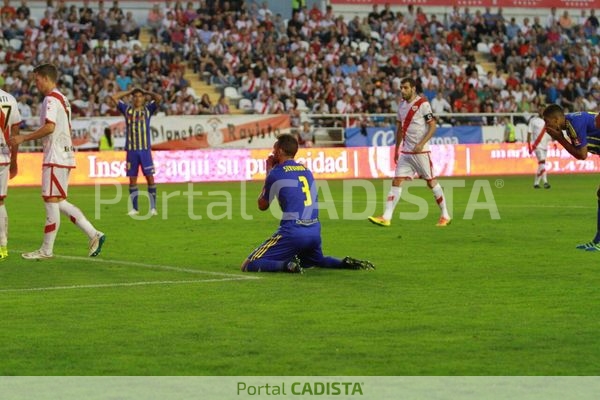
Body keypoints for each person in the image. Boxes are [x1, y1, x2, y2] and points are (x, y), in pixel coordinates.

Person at [9, 63, 105, 260]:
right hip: (64, 155)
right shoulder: (63, 98)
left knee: (51, 201)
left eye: (36, 80)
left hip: (56, 156)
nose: (35, 84)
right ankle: (94, 234)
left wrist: (23, 137)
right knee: (59, 201)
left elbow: (49, 127)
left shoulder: (51, 99)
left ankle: (46, 250)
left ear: (45, 78)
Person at [241, 134, 375, 273]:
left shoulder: (276, 173)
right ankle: (343, 262)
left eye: (274, 149)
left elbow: (262, 205)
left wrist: (268, 171)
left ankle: (287, 266)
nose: (272, 153)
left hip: (293, 232)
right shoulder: (306, 171)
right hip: (314, 232)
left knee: (249, 264)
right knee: (315, 261)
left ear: (280, 151)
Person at [368, 77, 451, 227]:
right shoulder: (401, 105)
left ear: (413, 88)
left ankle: (445, 215)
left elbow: (433, 126)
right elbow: (399, 129)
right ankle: (386, 217)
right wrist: (396, 148)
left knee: (431, 182)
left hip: (420, 152)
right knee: (396, 181)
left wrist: (421, 144)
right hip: (406, 152)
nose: (402, 90)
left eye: (405, 88)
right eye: (401, 88)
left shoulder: (423, 104)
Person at [543, 103, 600, 251]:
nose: (546, 126)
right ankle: (597, 241)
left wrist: (560, 139)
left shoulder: (573, 124)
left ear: (556, 120)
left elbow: (582, 155)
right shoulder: (570, 124)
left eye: (547, 122)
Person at [111, 87, 162, 216]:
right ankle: (135, 208)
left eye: (140, 96)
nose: (138, 98)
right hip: (131, 151)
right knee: (132, 179)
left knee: (150, 178)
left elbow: (159, 98)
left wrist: (147, 92)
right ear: (132, 98)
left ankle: (153, 207)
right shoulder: (127, 110)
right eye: (135, 96)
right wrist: (130, 91)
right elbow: (114, 98)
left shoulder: (148, 110)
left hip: (145, 150)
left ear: (144, 98)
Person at [0, 87, 21, 260]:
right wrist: (14, 160)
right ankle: (3, 247)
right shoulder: (10, 99)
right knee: (0, 202)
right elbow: (16, 133)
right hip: (4, 156)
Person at [527, 113, 551, 189]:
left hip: (545, 145)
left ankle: (536, 183)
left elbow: (550, 133)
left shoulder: (548, 121)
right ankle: (545, 182)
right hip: (537, 146)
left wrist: (554, 143)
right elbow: (529, 133)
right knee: (542, 162)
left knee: (541, 164)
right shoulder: (533, 120)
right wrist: (529, 146)